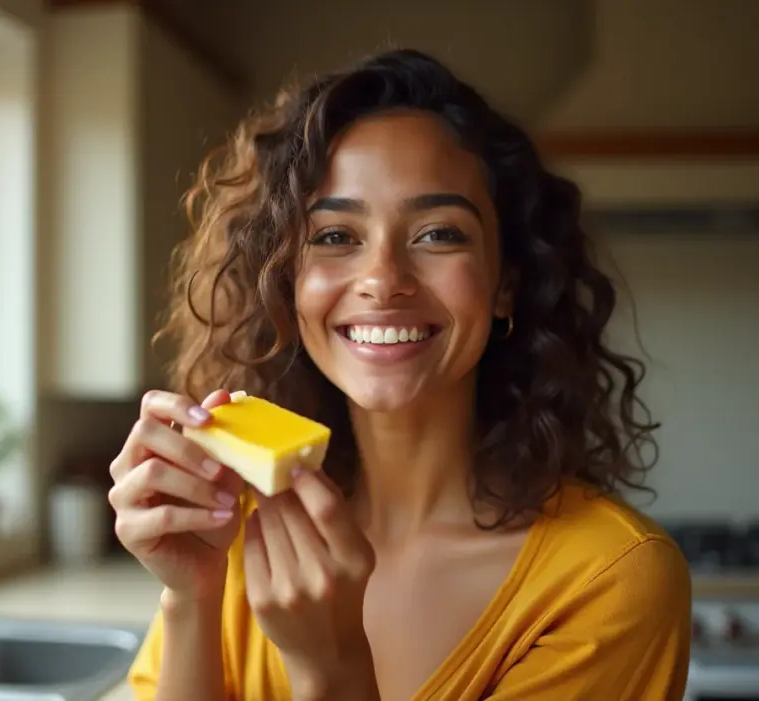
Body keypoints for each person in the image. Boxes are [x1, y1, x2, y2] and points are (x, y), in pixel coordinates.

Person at [108, 48, 692, 701]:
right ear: (286, 282)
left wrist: (332, 670)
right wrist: (191, 595)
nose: (384, 279)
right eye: (334, 236)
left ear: (506, 285)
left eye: (439, 234)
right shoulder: (238, 532)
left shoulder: (609, 579)